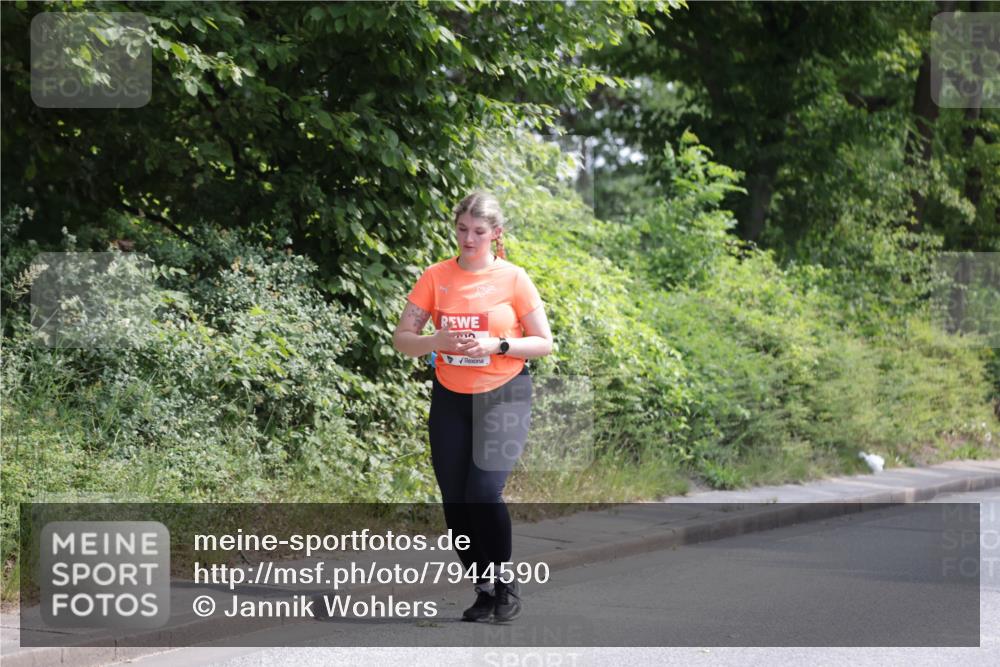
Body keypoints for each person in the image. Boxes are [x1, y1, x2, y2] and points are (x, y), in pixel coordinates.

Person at [392, 191, 553, 622]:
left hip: (504, 394)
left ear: (496, 233)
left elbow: (543, 342)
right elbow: (402, 338)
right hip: (451, 397)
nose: (468, 239)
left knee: (482, 492)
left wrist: (497, 345)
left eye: (479, 232)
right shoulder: (435, 276)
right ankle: (483, 588)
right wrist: (435, 340)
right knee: (455, 500)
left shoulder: (514, 278)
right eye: (462, 229)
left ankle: (505, 582)